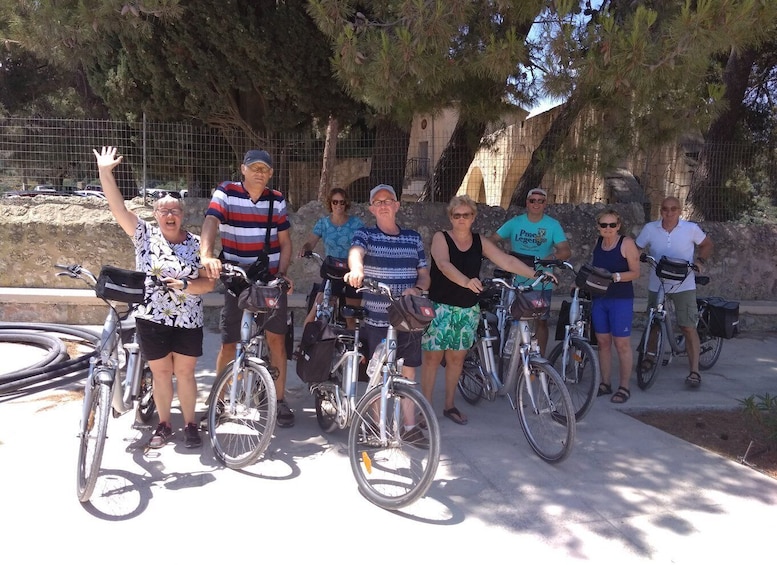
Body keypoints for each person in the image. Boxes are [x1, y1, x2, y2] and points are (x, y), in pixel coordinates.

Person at [93, 146, 214, 449]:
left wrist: (185, 286)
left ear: (182, 215)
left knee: (184, 373)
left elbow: (207, 285)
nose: (170, 215)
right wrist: (105, 172)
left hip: (187, 319)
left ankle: (189, 424)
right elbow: (118, 208)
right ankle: (163, 424)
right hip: (151, 318)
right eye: (164, 211)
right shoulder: (144, 236)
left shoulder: (198, 244)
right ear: (156, 215)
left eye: (175, 210)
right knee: (161, 374)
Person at [420, 195, 545, 425]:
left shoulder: (479, 241)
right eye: (456, 215)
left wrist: (537, 274)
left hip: (467, 310)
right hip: (440, 308)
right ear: (451, 217)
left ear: (473, 217)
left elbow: (506, 261)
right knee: (432, 359)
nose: (461, 219)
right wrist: (466, 281)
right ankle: (424, 409)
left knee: (457, 360)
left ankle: (449, 405)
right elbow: (443, 264)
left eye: (466, 215)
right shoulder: (441, 238)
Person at [200, 149, 296, 427]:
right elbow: (211, 222)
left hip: (269, 282)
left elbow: (286, 242)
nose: (259, 172)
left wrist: (283, 274)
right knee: (229, 343)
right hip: (237, 281)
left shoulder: (276, 200)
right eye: (253, 167)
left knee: (277, 340)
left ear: (270, 174)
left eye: (264, 169)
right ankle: (218, 401)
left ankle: (278, 401)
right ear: (242, 169)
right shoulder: (226, 192)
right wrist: (207, 255)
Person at [344, 183, 430, 442]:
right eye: (378, 201)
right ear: (372, 208)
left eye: (388, 200)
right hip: (377, 318)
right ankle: (374, 428)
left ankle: (410, 427)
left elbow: (424, 274)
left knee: (409, 373)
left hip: (408, 318)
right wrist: (357, 269)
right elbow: (355, 253)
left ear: (396, 205)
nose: (383, 204)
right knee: (377, 375)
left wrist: (417, 288)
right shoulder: (365, 235)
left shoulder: (413, 238)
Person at [635, 196, 713, 388]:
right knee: (653, 323)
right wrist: (636, 257)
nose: (669, 213)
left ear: (680, 211)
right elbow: (636, 248)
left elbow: (707, 244)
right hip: (658, 284)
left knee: (687, 326)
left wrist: (700, 261)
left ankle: (694, 372)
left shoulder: (690, 229)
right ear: (660, 210)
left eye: (673, 209)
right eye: (665, 209)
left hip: (683, 285)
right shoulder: (650, 229)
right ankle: (650, 358)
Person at [489, 187, 572, 355]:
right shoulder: (515, 222)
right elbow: (492, 240)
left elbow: (565, 250)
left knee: (541, 320)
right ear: (527, 202)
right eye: (532, 200)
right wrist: (499, 256)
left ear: (545, 204)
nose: (536, 204)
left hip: (541, 281)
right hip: (516, 280)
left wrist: (551, 258)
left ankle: (539, 359)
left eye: (540, 201)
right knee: (513, 318)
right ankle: (512, 356)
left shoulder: (552, 225)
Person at [589, 210, 641, 404]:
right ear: (598, 227)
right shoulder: (598, 243)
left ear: (618, 226)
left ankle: (624, 386)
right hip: (600, 299)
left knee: (622, 344)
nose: (608, 229)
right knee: (602, 342)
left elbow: (635, 272)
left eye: (612, 225)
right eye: (604, 225)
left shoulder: (626, 244)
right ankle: (605, 383)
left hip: (620, 299)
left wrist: (615, 277)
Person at [299, 187, 364, 328]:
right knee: (316, 310)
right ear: (330, 203)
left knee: (351, 316)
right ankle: (304, 346)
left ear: (346, 203)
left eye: (342, 202)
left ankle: (351, 347)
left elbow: (363, 244)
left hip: (351, 272)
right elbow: (311, 241)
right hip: (332, 271)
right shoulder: (324, 223)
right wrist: (306, 248)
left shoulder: (356, 224)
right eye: (335, 202)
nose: (339, 206)